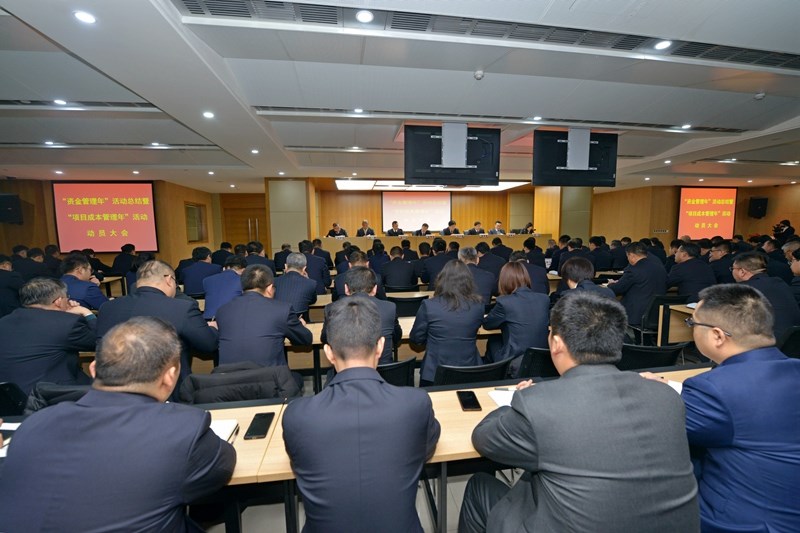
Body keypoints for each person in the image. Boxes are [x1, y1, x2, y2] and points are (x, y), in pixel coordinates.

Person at [458, 291, 699, 533]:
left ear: (556, 343)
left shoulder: (539, 405)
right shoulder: (668, 397)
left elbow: (483, 439)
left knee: (480, 485)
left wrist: (512, 403)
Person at [0, 316, 236, 531]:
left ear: (93, 369)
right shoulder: (184, 429)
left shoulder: (34, 424)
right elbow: (221, 467)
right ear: (170, 376)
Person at [283, 297, 440, 533]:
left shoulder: (297, 415)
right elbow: (426, 448)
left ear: (329, 352)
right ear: (380, 346)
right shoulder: (416, 404)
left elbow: (299, 460)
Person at [657, 284, 800, 531]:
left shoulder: (711, 389)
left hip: (742, 523)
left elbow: (664, 428)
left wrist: (654, 391)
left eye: (692, 323)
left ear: (717, 336)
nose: (691, 328)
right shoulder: (794, 367)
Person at [97, 260, 218, 384]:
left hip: (113, 386)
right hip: (168, 387)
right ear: (169, 279)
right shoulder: (182, 308)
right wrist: (213, 328)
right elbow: (209, 344)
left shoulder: (107, 308)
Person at [0, 278, 97, 395]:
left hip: (8, 396)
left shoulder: (4, 321)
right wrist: (87, 313)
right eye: (67, 297)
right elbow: (100, 341)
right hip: (48, 395)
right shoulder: (67, 323)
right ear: (59, 301)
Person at [215, 264, 311, 367]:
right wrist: (299, 326)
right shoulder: (282, 310)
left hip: (229, 376)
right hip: (269, 376)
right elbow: (305, 339)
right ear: (269, 288)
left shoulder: (222, 311)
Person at [410, 260, 485, 386]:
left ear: (442, 280)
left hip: (434, 372)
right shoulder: (479, 306)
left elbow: (416, 338)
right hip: (470, 370)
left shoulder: (429, 305)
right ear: (469, 281)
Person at [322, 266, 400, 365]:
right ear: (375, 289)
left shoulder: (331, 309)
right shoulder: (390, 307)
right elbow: (397, 336)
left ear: (346, 289)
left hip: (347, 370)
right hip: (385, 370)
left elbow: (325, 339)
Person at [483, 262, 549, 369]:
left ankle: (491, 375)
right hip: (541, 360)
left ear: (504, 280)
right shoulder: (544, 299)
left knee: (493, 340)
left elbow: (487, 324)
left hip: (515, 361)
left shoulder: (504, 302)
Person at [731, 252, 800, 339]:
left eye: (732, 269)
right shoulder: (779, 283)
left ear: (742, 271)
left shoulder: (744, 289)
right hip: (792, 341)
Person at [608, 241, 667, 328]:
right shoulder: (660, 268)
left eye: (627, 256)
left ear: (631, 255)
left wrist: (610, 284)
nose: (628, 259)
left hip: (636, 314)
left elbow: (618, 289)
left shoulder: (633, 269)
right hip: (657, 314)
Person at [202, 254, 247, 320]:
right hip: (231, 320)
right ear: (243, 270)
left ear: (225, 268)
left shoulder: (206, 280)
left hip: (208, 319)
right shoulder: (243, 281)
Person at [273, 252, 318, 317]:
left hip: (278, 319)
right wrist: (307, 279)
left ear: (285, 266)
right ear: (304, 269)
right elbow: (312, 301)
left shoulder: (274, 281)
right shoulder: (311, 283)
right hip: (300, 319)